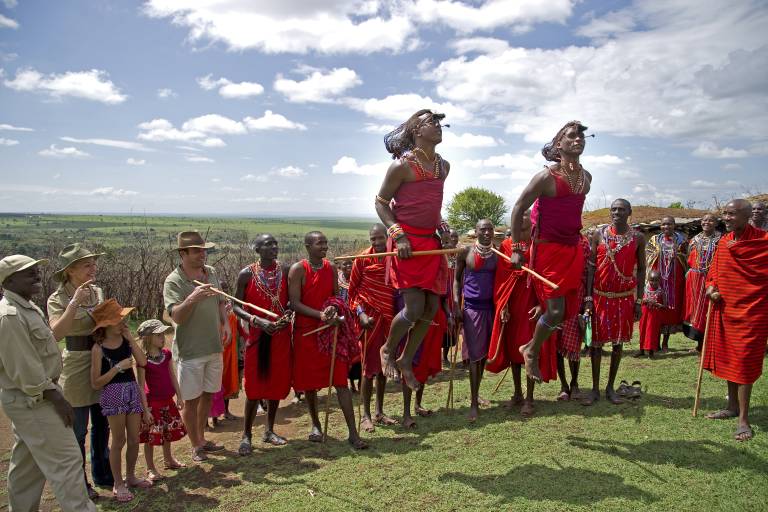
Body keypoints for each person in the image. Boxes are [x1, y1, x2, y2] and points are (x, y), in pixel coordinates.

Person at [0, 255, 97, 512]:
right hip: (36, 399)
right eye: (29, 273)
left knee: (27, 467)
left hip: (32, 398)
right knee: (67, 460)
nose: (37, 277)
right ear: (9, 281)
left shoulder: (27, 308)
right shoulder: (9, 317)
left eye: (36, 271)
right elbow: (26, 371)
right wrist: (56, 397)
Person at [509, 121, 592, 382]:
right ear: (559, 144)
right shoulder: (546, 177)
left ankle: (530, 348)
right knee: (555, 311)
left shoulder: (586, 178)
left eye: (581, 136)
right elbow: (518, 208)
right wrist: (517, 248)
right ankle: (531, 351)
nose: (578, 139)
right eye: (571, 136)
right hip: (548, 251)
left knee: (567, 311)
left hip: (572, 249)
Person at [375, 109, 452, 390]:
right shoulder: (402, 167)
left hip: (430, 244)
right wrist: (398, 235)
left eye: (439, 123)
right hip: (406, 244)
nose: (438, 127)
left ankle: (407, 359)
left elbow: (433, 208)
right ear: (417, 131)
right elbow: (381, 203)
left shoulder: (443, 167)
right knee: (414, 307)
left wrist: (445, 230)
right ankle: (388, 350)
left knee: (432, 307)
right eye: (432, 123)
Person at [288, 231, 367, 449]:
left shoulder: (330, 268)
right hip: (307, 332)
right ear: (307, 246)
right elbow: (294, 303)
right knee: (310, 385)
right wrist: (319, 315)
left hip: (330, 331)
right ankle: (315, 425)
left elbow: (334, 296)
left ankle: (352, 433)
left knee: (341, 381)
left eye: (325, 243)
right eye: (319, 243)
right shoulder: (298, 269)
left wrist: (332, 308)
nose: (324, 247)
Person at [47, 243, 112, 498]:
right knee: (77, 429)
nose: (93, 268)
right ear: (70, 270)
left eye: (94, 263)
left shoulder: (97, 291)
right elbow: (56, 333)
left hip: (101, 358)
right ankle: (79, 481)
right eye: (87, 264)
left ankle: (103, 474)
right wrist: (74, 303)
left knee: (102, 424)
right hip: (75, 364)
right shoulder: (58, 298)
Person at [703, 199, 768, 442]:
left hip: (753, 313)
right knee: (730, 359)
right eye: (725, 214)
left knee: (744, 364)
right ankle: (731, 407)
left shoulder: (763, 242)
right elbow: (713, 274)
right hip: (725, 311)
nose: (727, 218)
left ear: (747, 216)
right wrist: (711, 288)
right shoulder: (724, 242)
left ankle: (743, 419)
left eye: (731, 214)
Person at [163, 231, 231, 462]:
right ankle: (195, 445)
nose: (202, 254)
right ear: (183, 253)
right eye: (196, 251)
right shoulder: (174, 280)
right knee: (190, 400)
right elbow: (177, 317)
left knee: (209, 395)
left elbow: (221, 300)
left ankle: (202, 438)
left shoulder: (210, 272)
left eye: (203, 250)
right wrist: (192, 297)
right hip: (190, 350)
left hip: (213, 345)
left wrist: (226, 324)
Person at [487, 211, 557, 417]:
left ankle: (530, 398)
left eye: (526, 223)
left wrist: (541, 306)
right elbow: (502, 279)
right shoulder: (507, 246)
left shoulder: (540, 245)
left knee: (529, 351)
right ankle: (517, 393)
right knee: (511, 350)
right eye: (519, 223)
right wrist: (504, 305)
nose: (523, 227)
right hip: (512, 306)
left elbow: (545, 279)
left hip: (531, 307)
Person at [232, 234, 293, 455]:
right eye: (268, 244)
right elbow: (236, 306)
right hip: (257, 335)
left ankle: (269, 431)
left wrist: (287, 313)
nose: (274, 247)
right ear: (257, 249)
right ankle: (246, 435)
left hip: (280, 335)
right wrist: (255, 320)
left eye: (275, 244)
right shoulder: (246, 274)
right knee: (255, 387)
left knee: (276, 384)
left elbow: (291, 301)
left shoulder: (285, 271)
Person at [583, 199, 646, 405]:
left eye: (621, 209)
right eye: (613, 209)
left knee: (618, 344)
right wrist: (588, 298)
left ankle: (610, 388)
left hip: (624, 298)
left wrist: (639, 301)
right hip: (600, 297)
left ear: (629, 212)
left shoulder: (637, 238)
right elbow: (591, 267)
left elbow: (642, 269)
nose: (616, 212)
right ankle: (594, 389)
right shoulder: (598, 234)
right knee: (596, 346)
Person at [89, 299, 151, 502]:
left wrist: (130, 338)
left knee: (134, 438)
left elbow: (142, 362)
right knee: (119, 440)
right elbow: (96, 383)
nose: (123, 322)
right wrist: (117, 368)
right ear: (106, 325)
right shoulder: (98, 349)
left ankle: (131, 476)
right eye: (118, 320)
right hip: (113, 394)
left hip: (132, 391)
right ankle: (118, 482)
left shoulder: (126, 341)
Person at [348, 224, 398, 433]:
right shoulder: (362, 259)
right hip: (368, 320)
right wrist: (361, 314)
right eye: (373, 239)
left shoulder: (393, 257)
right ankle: (366, 416)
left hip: (388, 319)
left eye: (380, 239)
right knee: (368, 370)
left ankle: (379, 412)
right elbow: (352, 293)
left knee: (383, 368)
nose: (376, 243)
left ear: (387, 238)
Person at [454, 219, 497, 421]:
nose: (487, 232)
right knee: (473, 356)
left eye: (490, 229)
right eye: (483, 229)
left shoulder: (498, 254)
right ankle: (472, 403)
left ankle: (476, 393)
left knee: (482, 357)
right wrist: (456, 304)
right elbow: (456, 280)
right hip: (471, 309)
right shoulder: (465, 252)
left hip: (491, 308)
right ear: (476, 232)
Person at [136, 319, 186, 482]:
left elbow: (172, 375)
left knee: (167, 432)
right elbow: (141, 386)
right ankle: (150, 468)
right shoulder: (143, 360)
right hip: (153, 405)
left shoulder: (167, 354)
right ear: (148, 338)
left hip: (167, 401)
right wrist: (145, 409)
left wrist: (179, 395)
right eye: (158, 335)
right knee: (151, 437)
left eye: (163, 334)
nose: (162, 337)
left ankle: (168, 459)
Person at [555, 233, 590, 401]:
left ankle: (574, 383)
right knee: (557, 342)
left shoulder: (584, 242)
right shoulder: (555, 240)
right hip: (556, 295)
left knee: (574, 343)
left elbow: (589, 271)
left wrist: (587, 299)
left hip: (577, 295)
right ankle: (563, 385)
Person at [645, 216, 688, 352]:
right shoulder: (654, 240)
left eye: (669, 224)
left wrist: (677, 255)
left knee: (670, 310)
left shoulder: (681, 240)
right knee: (656, 309)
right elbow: (648, 256)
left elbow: (687, 256)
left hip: (675, 281)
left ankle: (665, 342)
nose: (666, 227)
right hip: (658, 281)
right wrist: (658, 254)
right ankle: (654, 342)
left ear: (674, 225)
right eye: (663, 224)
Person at [684, 213, 721, 351]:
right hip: (695, 280)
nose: (707, 222)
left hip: (712, 279)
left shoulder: (721, 240)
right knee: (695, 311)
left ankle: (711, 344)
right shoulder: (694, 240)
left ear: (716, 223)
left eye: (711, 220)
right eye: (704, 220)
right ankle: (699, 344)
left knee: (708, 309)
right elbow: (689, 258)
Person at [638, 270, 666, 358]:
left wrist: (657, 304)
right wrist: (645, 300)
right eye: (651, 280)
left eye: (656, 280)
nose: (653, 282)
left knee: (651, 333)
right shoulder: (644, 289)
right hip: (644, 314)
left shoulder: (661, 291)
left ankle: (651, 352)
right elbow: (639, 301)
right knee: (642, 331)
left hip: (654, 317)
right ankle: (641, 350)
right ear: (648, 279)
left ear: (659, 280)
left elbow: (664, 306)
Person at [443, 228, 460, 366]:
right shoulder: (441, 253)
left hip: (454, 293)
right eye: (451, 237)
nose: (453, 239)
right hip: (443, 293)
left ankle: (446, 356)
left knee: (453, 326)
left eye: (455, 237)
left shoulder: (460, 254)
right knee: (441, 325)